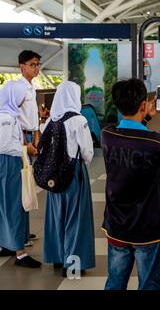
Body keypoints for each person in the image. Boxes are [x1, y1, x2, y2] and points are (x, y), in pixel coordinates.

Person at [102, 78, 160, 290]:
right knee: (150, 284)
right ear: (142, 105)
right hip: (147, 228)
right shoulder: (154, 142)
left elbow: (132, 135)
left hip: (117, 224)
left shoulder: (107, 135)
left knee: (115, 282)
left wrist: (144, 117)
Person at [39, 81, 96, 277]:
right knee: (76, 218)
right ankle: (72, 263)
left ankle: (57, 257)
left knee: (56, 216)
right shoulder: (79, 120)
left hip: (52, 176)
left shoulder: (50, 121)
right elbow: (87, 151)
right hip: (74, 173)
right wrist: (81, 168)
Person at [0, 80, 42, 268]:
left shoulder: (10, 115)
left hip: (11, 162)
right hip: (9, 163)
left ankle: (8, 243)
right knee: (15, 205)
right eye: (21, 97)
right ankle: (20, 253)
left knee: (9, 204)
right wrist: (27, 150)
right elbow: (5, 146)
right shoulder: (6, 118)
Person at [18, 50, 48, 247]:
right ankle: (17, 235)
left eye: (38, 64)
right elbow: (15, 119)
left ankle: (24, 232)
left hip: (31, 136)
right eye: (32, 64)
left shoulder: (30, 87)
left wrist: (36, 137)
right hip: (21, 140)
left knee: (28, 187)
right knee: (21, 188)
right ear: (22, 67)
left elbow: (32, 118)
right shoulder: (18, 88)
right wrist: (24, 145)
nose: (36, 68)